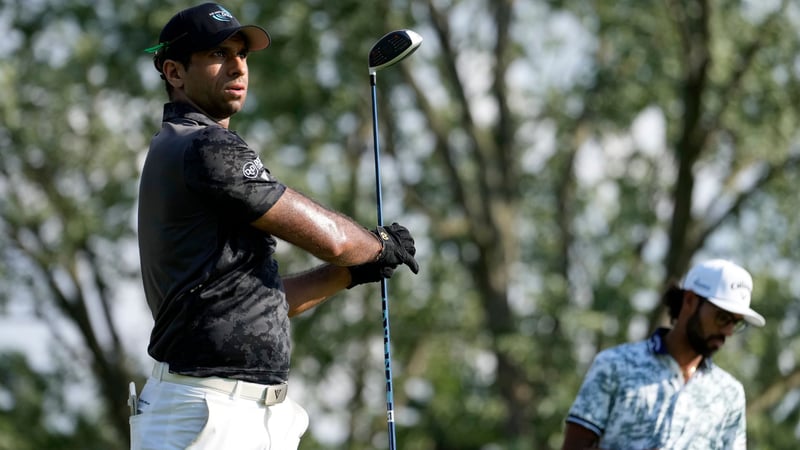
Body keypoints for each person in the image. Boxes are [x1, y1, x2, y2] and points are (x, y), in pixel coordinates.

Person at [131, 3, 419, 449]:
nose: (237, 65)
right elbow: (335, 241)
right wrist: (374, 246)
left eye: (242, 55)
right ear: (174, 72)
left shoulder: (183, 146)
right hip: (210, 415)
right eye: (218, 54)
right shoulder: (205, 146)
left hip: (238, 413)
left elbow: (256, 305)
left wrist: (351, 272)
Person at [561, 259, 766, 450]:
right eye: (722, 317)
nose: (728, 331)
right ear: (690, 301)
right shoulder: (615, 365)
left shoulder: (729, 394)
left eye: (735, 323)